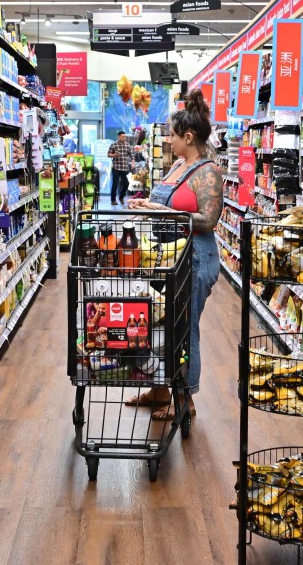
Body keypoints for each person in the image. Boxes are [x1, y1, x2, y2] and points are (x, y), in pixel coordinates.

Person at [126, 89, 222, 420]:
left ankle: (186, 401)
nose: (169, 140)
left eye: (173, 135)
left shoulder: (207, 172)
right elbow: (165, 203)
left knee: (184, 328)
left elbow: (209, 220)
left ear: (189, 136)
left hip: (195, 259)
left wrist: (161, 212)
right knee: (162, 324)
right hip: (168, 257)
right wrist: (146, 205)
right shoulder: (180, 165)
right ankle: (159, 390)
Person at [107, 131, 133, 205]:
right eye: (122, 137)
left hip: (124, 167)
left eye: (125, 137)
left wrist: (133, 161)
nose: (124, 138)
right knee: (115, 184)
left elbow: (131, 155)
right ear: (118, 136)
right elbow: (108, 154)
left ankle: (121, 197)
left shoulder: (127, 145)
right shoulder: (114, 145)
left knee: (126, 183)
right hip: (116, 167)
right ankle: (113, 200)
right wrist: (114, 155)